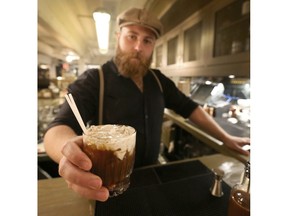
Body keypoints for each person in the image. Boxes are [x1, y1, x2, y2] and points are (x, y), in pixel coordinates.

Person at [43, 7, 250, 202]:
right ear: (118, 37)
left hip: (153, 176)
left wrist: (225, 137)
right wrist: (69, 153)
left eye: (147, 40)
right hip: (108, 185)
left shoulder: (158, 81)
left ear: (153, 46)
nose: (138, 47)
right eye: (131, 36)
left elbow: (190, 108)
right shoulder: (96, 80)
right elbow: (58, 128)